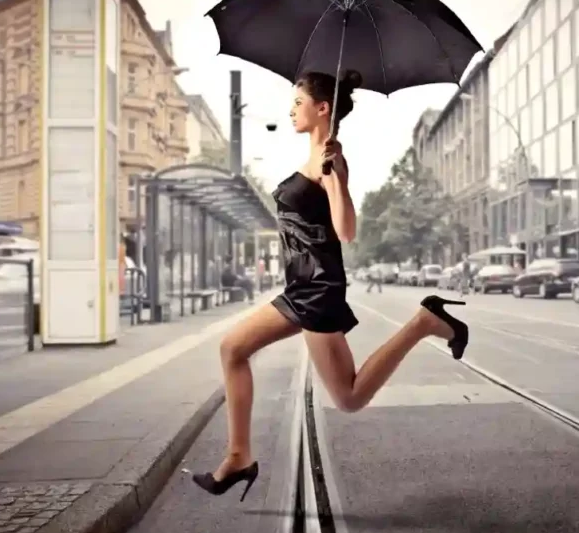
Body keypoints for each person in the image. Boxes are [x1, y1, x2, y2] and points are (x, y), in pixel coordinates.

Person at [192, 69, 470, 498]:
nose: (290, 110)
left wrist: (335, 178)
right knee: (232, 348)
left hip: (318, 293)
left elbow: (346, 230)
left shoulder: (331, 160)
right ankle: (238, 457)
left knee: (349, 397)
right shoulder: (311, 156)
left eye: (297, 102)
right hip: (298, 289)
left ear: (322, 108)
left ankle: (424, 322)